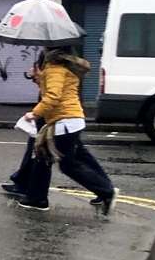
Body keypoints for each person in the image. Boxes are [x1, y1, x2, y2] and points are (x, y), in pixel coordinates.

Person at [18, 47, 117, 215]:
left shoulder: (54, 70)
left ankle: (106, 192)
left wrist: (34, 114)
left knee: (68, 165)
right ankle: (37, 199)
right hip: (69, 120)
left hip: (65, 122)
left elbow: (53, 97)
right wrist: (40, 78)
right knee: (44, 157)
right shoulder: (62, 69)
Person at [1, 52, 45, 197]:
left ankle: (104, 189)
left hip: (52, 117)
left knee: (71, 163)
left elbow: (52, 95)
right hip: (51, 116)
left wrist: (35, 113)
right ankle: (23, 182)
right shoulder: (54, 61)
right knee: (35, 151)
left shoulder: (54, 65)